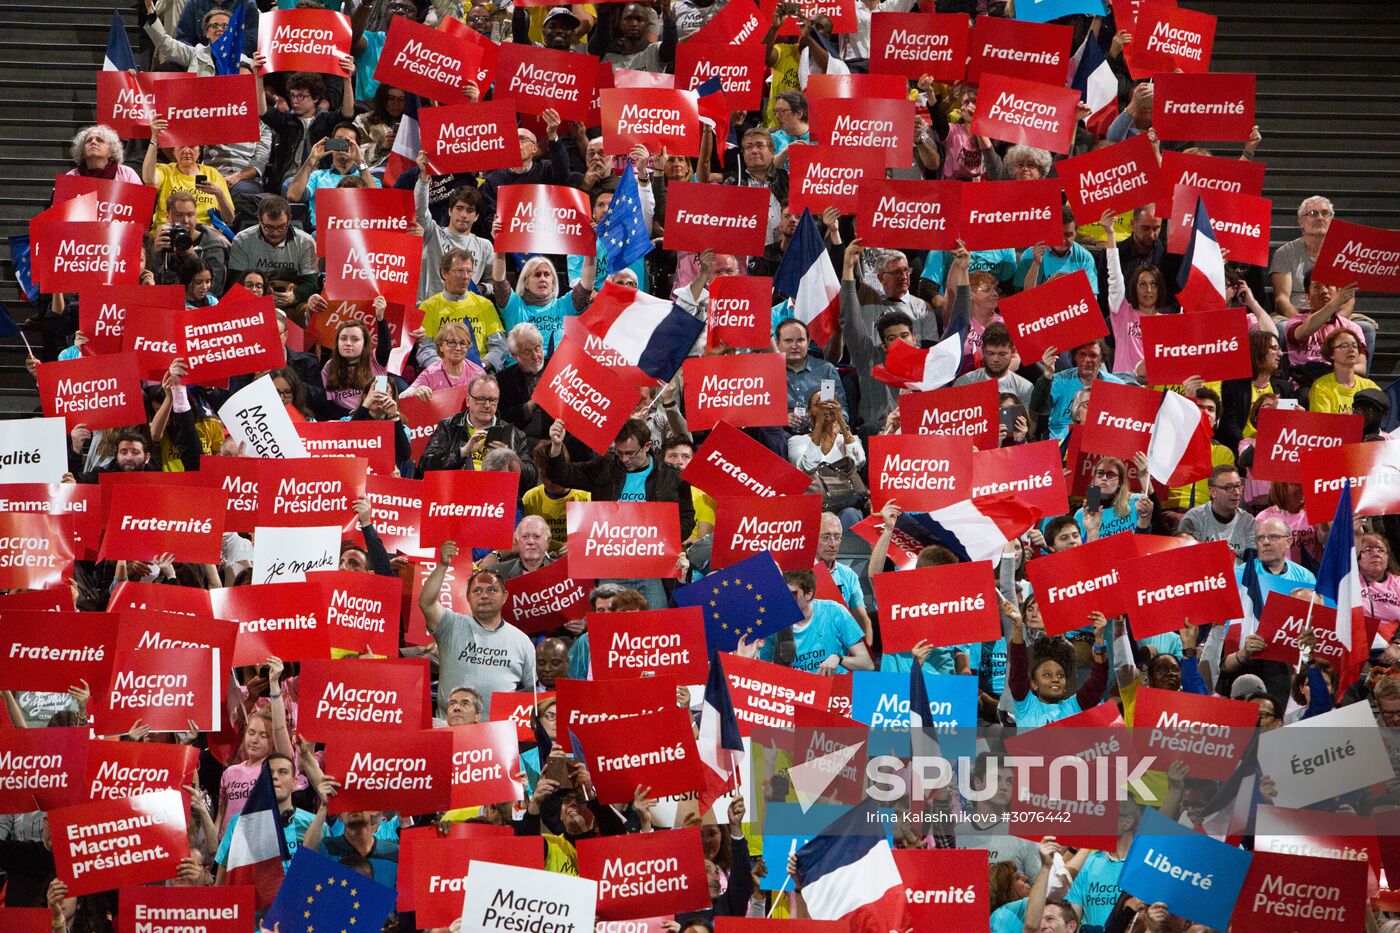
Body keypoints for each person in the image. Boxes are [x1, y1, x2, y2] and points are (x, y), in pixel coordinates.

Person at [541, 418, 695, 610]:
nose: (624, 459)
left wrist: (662, 540)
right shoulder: (605, 467)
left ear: (647, 446)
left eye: (630, 453)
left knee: (653, 626)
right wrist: (556, 446)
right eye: (619, 453)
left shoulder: (672, 476)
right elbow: (562, 475)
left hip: (652, 568)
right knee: (612, 627)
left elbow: (687, 519)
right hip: (611, 565)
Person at [419, 542, 535, 718]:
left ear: (505, 597)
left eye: (492, 590)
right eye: (477, 591)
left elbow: (532, 692)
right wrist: (443, 565)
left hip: (497, 735)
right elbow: (426, 603)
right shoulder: (451, 625)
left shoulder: (522, 641)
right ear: (468, 597)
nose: (484, 595)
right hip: (450, 729)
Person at [747, 569, 873, 675]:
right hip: (798, 695)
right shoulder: (774, 623)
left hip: (833, 696)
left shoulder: (835, 612)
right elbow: (765, 672)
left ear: (808, 594)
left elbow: (867, 664)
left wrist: (839, 659)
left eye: (792, 594)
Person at [419, 374, 536, 479]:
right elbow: (425, 466)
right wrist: (462, 452)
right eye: (481, 399)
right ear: (468, 401)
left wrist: (511, 461)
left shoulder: (514, 434)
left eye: (492, 400)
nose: (487, 405)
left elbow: (531, 478)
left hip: (495, 496)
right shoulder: (449, 426)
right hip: (456, 493)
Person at [1102, 210, 1171, 378]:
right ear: (1134, 287)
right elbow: (1114, 276)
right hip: (1124, 384)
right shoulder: (1123, 313)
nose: (1148, 290)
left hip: (1154, 387)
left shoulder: (1168, 324)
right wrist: (1110, 234)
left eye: (1153, 285)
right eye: (1142, 284)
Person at [227, 196, 320, 318]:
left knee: (309, 310)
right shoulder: (242, 240)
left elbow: (311, 283)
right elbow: (236, 282)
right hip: (253, 300)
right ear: (259, 220)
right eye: (269, 227)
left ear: (289, 220)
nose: (275, 233)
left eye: (282, 227)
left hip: (292, 301)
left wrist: (295, 296)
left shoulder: (305, 242)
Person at [492, 250, 595, 358]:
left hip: (558, 370)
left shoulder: (564, 305)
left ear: (553, 282)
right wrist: (500, 250)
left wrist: (590, 253)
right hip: (522, 370)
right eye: (537, 275)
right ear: (526, 283)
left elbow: (586, 286)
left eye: (547, 274)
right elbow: (499, 282)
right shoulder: (514, 306)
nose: (542, 279)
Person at [415, 160, 494, 299]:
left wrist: (481, 288)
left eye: (470, 210)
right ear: (450, 211)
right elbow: (420, 211)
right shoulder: (433, 233)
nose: (463, 215)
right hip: (432, 308)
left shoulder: (484, 246)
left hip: (466, 312)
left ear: (476, 217)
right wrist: (424, 177)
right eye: (459, 208)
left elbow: (494, 283)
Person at [787, 390, 866, 529]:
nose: (825, 409)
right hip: (814, 506)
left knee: (850, 515)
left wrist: (841, 420)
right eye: (818, 405)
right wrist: (820, 424)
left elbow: (858, 461)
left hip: (845, 502)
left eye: (831, 404)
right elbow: (807, 467)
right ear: (809, 412)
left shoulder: (847, 440)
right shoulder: (797, 441)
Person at [422, 250, 509, 371]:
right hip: (443, 373)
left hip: (481, 373)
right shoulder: (428, 307)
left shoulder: (485, 305)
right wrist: (446, 369)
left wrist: (482, 365)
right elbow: (425, 349)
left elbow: (499, 346)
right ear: (444, 273)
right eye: (460, 271)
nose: (466, 276)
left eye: (469, 271)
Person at [142, 120, 236, 229]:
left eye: (192, 146)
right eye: (181, 146)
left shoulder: (213, 173)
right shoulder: (165, 171)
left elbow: (229, 219)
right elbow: (148, 179)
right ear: (174, 151)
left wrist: (219, 194)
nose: (186, 151)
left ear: (200, 151)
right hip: (169, 230)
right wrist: (154, 138)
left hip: (204, 234)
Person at [286, 123, 381, 230]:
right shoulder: (317, 176)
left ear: (357, 147)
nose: (342, 146)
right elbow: (293, 195)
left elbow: (375, 204)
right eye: (338, 140)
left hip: (359, 233)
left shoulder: (368, 178)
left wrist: (360, 161)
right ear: (330, 143)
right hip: (322, 234)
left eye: (348, 142)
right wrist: (311, 160)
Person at [1030, 339, 1122, 443]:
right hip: (1063, 445)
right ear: (1075, 356)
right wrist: (1047, 376)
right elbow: (1038, 410)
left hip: (1101, 445)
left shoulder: (1117, 385)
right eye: (1082, 354)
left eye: (1093, 355)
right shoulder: (1059, 380)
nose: (1087, 360)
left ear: (1101, 359)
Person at [149, 191, 228, 296]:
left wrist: (193, 258)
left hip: (198, 308)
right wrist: (155, 255)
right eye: (179, 215)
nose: (185, 220)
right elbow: (151, 286)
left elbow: (214, 290)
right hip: (164, 300)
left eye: (190, 214)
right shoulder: (162, 240)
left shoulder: (212, 244)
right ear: (168, 216)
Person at [1271, 195, 1335, 319]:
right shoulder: (1285, 253)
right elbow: (1281, 299)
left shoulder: (1341, 254)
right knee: (1281, 327)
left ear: (1331, 219)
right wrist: (1302, 324)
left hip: (1333, 315)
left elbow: (1348, 300)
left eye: (1325, 213)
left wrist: (1337, 323)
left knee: (1366, 327)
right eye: (1313, 213)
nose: (1320, 218)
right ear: (1301, 221)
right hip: (1297, 315)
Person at [814, 513, 872, 642]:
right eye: (826, 537)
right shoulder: (801, 574)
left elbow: (862, 619)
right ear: (813, 538)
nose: (832, 544)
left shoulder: (849, 575)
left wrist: (865, 656)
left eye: (837, 537)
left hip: (840, 654)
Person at [778, 318, 847, 427]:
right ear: (777, 344)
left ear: (808, 342)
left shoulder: (826, 370)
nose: (795, 346)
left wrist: (829, 421)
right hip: (783, 432)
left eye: (800, 340)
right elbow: (761, 412)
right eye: (789, 341)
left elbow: (842, 410)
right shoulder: (770, 372)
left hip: (821, 432)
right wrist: (780, 419)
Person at [1179, 465, 1257, 560]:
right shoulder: (1194, 519)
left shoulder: (1248, 521)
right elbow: (1187, 559)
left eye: (1238, 486)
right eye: (1229, 487)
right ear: (1212, 491)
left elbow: (1252, 562)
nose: (1237, 492)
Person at [322, 312, 391, 413]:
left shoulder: (374, 359)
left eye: (355, 339)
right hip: (344, 420)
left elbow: (386, 346)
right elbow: (328, 403)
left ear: (364, 344)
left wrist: (380, 319)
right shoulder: (329, 366)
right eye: (343, 339)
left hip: (374, 417)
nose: (348, 343)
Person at [953, 322, 1033, 407]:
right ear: (983, 350)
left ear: (1012, 351)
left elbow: (1030, 419)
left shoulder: (1025, 388)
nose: (995, 359)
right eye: (990, 353)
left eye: (1002, 354)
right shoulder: (963, 383)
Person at [1075, 453, 1152, 541]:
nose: (1104, 478)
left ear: (1120, 482)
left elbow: (1157, 520)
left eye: (1110, 475)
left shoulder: (1136, 501)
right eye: (1100, 473)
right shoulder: (1082, 514)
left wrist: (1144, 475)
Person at [403, 321, 487, 398]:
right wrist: (414, 392)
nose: (458, 348)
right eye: (451, 342)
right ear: (440, 346)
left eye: (463, 343)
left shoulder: (478, 373)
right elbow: (401, 398)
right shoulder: (431, 373)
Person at [1309, 329, 1378, 413]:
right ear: (1331, 354)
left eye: (1355, 346)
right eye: (1344, 346)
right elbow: (1322, 424)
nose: (1351, 349)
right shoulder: (1321, 387)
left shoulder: (1370, 386)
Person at [1240, 518, 1316, 585]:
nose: (1266, 542)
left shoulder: (1305, 578)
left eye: (1273, 537)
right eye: (1260, 538)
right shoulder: (1241, 573)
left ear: (1288, 542)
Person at [65, 124, 142, 184]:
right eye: (88, 140)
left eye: (100, 140)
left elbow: (140, 202)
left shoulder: (127, 174)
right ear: (82, 152)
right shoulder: (71, 177)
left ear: (111, 151)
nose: (93, 142)